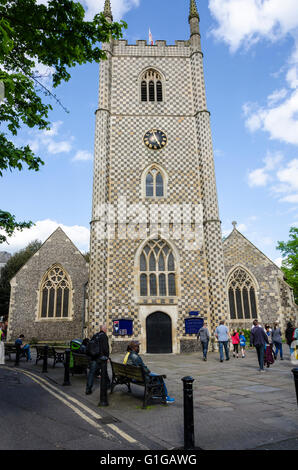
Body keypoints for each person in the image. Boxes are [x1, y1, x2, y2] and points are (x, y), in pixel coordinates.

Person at [86, 325, 110, 395]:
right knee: (104, 371)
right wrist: (107, 357)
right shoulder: (104, 336)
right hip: (101, 358)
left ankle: (88, 389)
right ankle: (108, 384)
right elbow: (106, 348)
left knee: (91, 373)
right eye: (106, 329)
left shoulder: (95, 335)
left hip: (94, 357)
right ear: (104, 329)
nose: (106, 330)